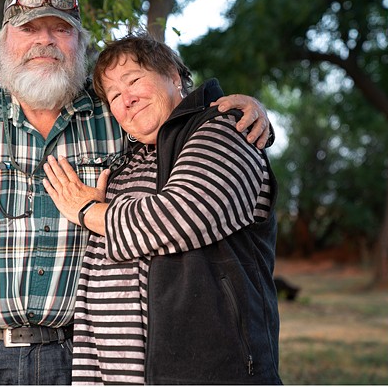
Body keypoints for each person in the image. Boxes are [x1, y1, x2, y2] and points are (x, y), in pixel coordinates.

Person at [0, 0, 273, 385]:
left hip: (82, 359)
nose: (45, 41)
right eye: (29, 28)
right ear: (3, 44)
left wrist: (241, 108)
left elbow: (177, 121)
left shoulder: (116, 115)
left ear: (80, 44)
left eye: (61, 29)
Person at [42, 32, 282, 385]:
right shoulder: (131, 157)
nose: (127, 99)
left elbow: (184, 214)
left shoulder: (226, 130)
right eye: (114, 95)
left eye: (134, 80)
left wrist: (87, 212)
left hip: (211, 370)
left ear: (172, 74)